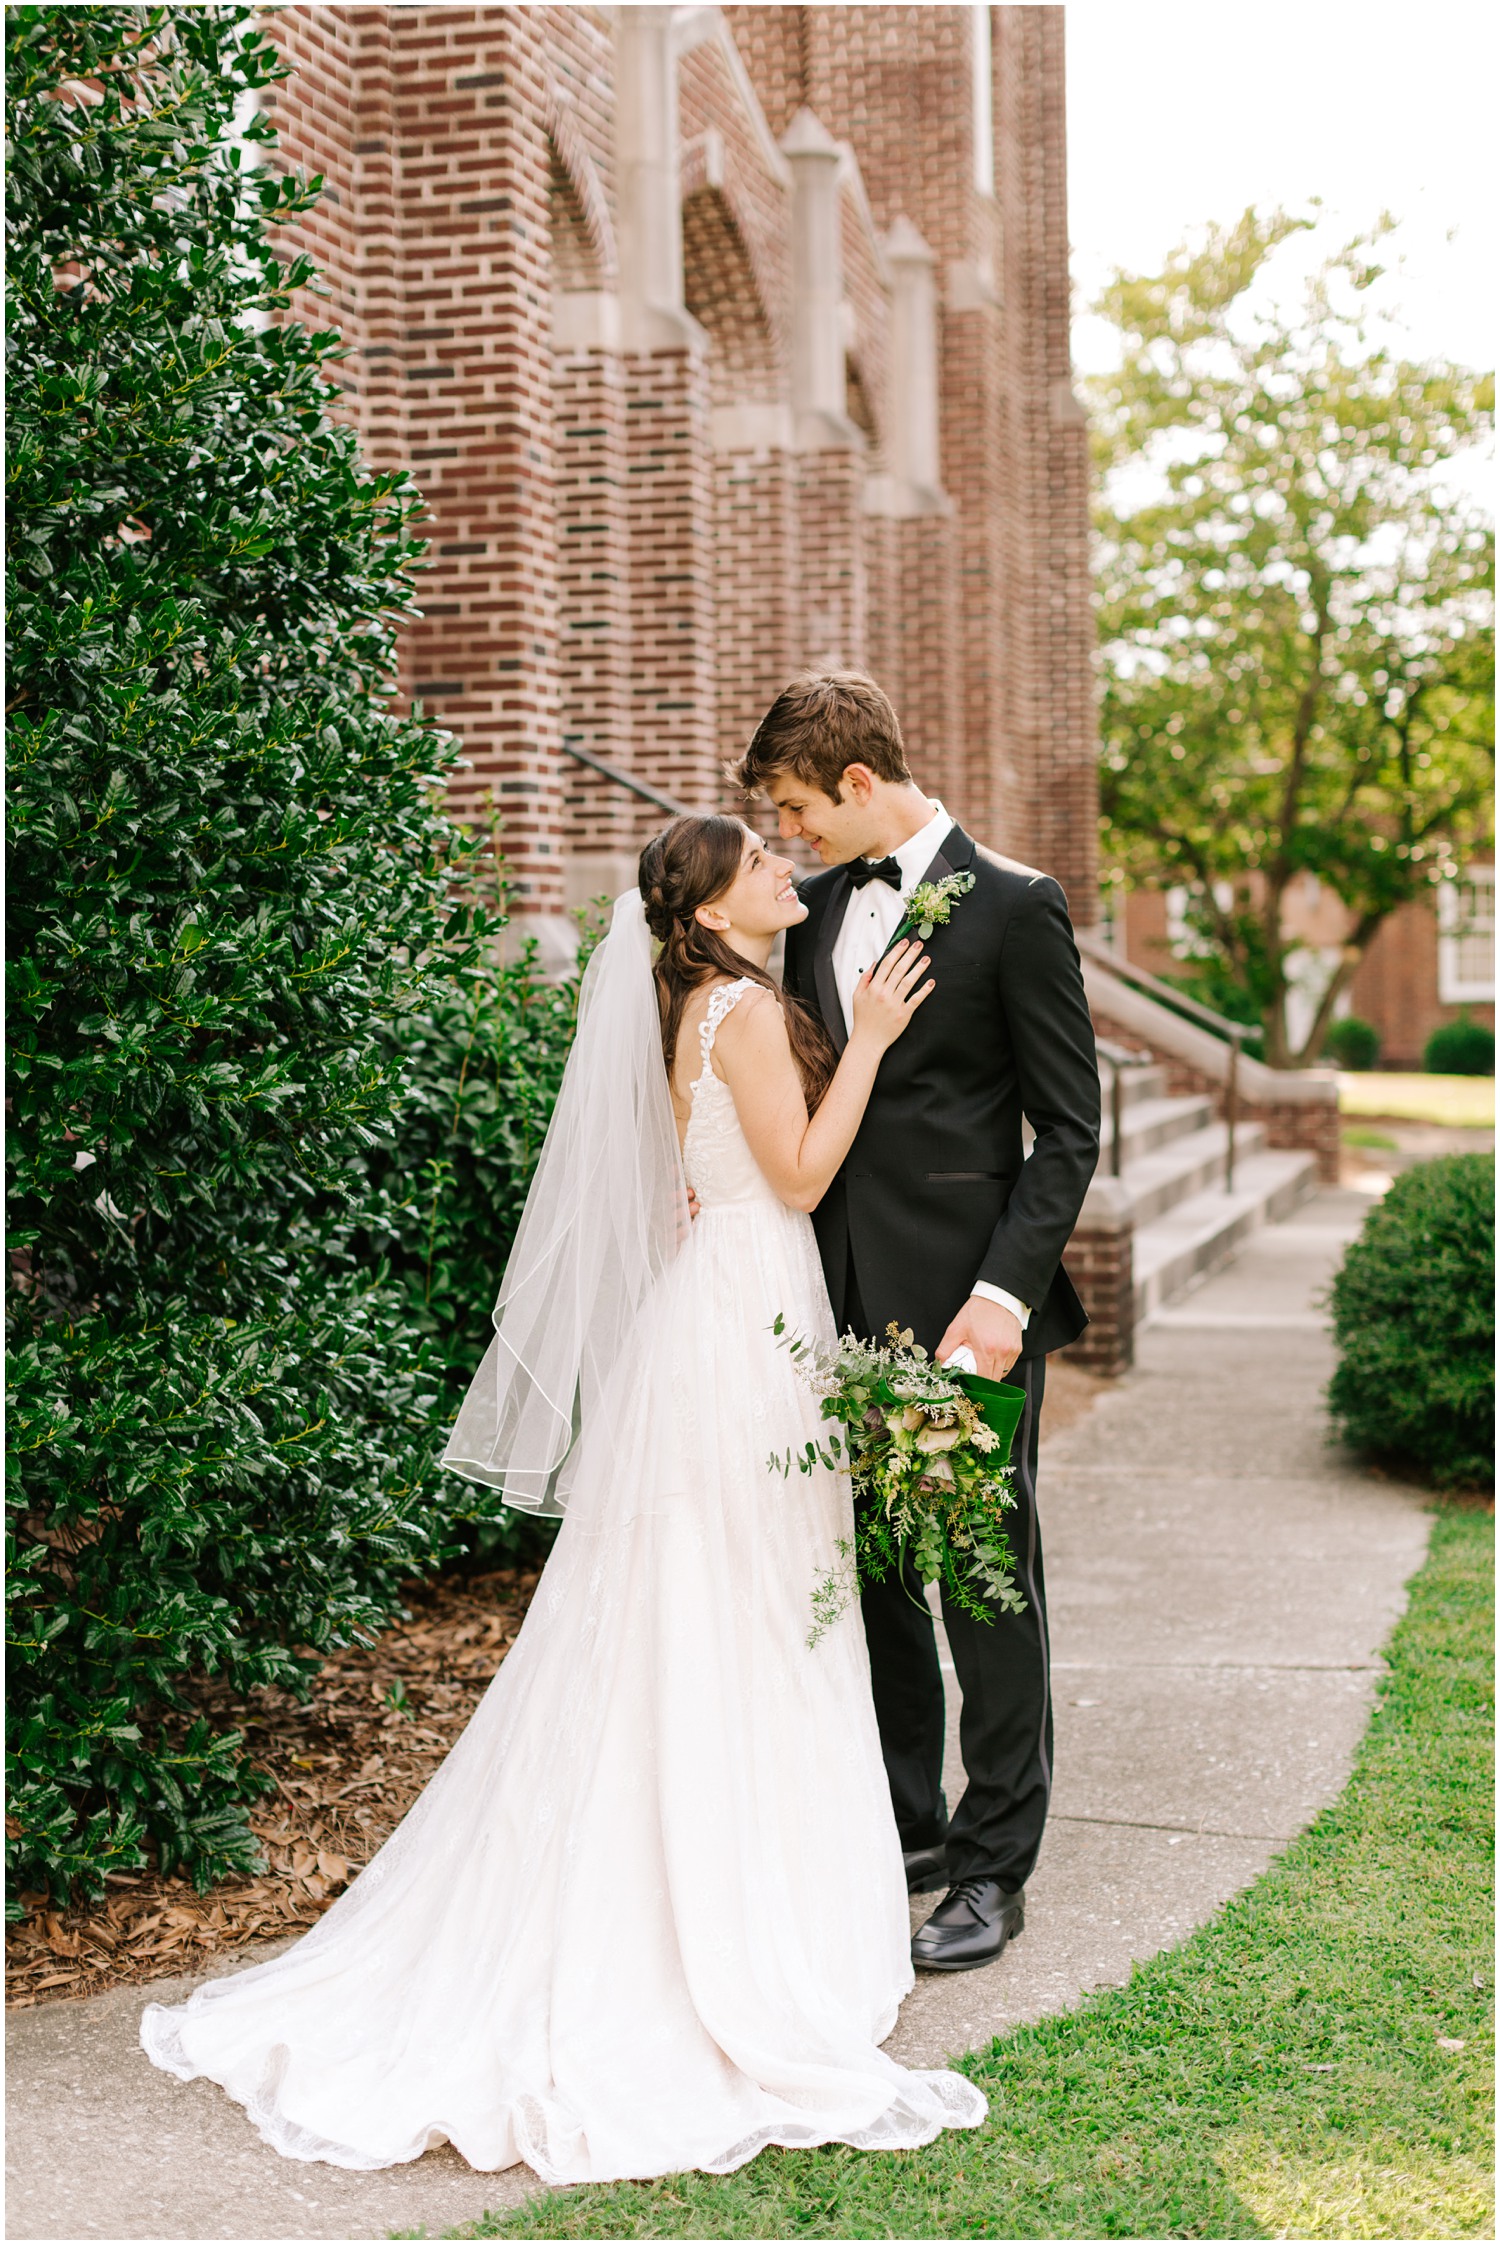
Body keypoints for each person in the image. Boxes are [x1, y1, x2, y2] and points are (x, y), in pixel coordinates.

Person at [139, 812, 988, 2182]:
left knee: (694, 1615)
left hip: (709, 1319)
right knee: (746, 1613)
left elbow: (687, 1190)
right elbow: (800, 1174)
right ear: (714, 910)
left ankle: (684, 1872)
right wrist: (876, 1043)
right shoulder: (745, 1009)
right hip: (746, 1327)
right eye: (760, 864)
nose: (786, 871)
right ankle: (726, 1912)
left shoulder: (688, 1004)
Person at [736, 671, 1101, 1974]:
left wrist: (1001, 1299)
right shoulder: (817, 905)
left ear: (854, 781)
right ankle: (908, 1825)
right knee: (880, 1577)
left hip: (967, 1314)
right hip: (835, 1298)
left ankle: (996, 1864)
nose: (790, 838)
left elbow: (1069, 1128)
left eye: (795, 810)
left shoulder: (1014, 905)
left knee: (986, 1586)